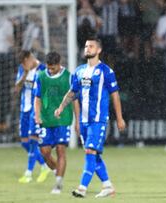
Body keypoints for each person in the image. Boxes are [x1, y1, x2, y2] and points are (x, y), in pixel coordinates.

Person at [54, 37, 126, 198]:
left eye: (91, 46)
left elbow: (115, 95)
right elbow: (73, 93)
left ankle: (82, 187)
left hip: (98, 120)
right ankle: (107, 186)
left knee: (90, 151)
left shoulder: (106, 71)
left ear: (98, 50)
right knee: (94, 154)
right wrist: (61, 107)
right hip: (84, 121)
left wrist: (120, 118)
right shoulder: (79, 71)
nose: (87, 48)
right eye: (86, 46)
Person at [34, 51, 76, 194]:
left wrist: (77, 122)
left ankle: (58, 183)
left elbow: (74, 99)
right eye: (49, 68)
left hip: (63, 119)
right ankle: (58, 171)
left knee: (60, 150)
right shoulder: (41, 76)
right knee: (44, 152)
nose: (50, 70)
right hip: (46, 120)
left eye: (53, 68)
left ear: (59, 64)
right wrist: (37, 115)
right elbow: (37, 98)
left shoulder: (68, 77)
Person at [15, 50, 50, 183]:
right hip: (24, 109)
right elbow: (17, 89)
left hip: (36, 111)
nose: (25, 64)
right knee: (25, 143)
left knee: (33, 140)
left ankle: (28, 173)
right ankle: (44, 166)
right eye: (23, 63)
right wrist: (24, 73)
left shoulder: (43, 70)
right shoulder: (22, 69)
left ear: (31, 58)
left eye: (26, 61)